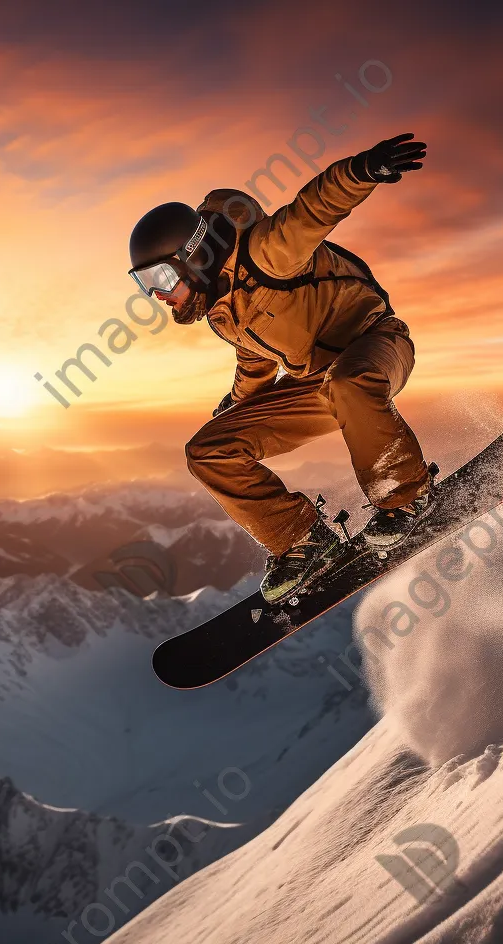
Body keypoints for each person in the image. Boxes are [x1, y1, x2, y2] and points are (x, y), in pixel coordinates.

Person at [128, 133, 435, 604]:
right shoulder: (222, 310)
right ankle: (302, 540)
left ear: (193, 257)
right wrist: (239, 405)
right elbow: (254, 356)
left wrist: (362, 170)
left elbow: (313, 210)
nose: (157, 294)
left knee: (349, 382)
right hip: (317, 381)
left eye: (161, 277)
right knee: (208, 451)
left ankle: (406, 498)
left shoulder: (267, 253)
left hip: (376, 343)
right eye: (144, 283)